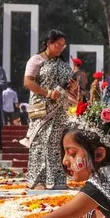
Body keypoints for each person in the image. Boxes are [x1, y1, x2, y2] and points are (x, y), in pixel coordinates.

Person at [23, 30, 76, 191]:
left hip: (60, 109)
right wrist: (47, 93)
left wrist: (72, 87)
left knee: (56, 142)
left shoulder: (63, 64)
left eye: (63, 45)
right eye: (57, 44)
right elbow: (27, 82)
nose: (60, 48)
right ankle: (37, 180)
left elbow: (70, 85)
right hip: (42, 107)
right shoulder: (36, 60)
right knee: (40, 142)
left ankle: (57, 180)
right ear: (48, 43)